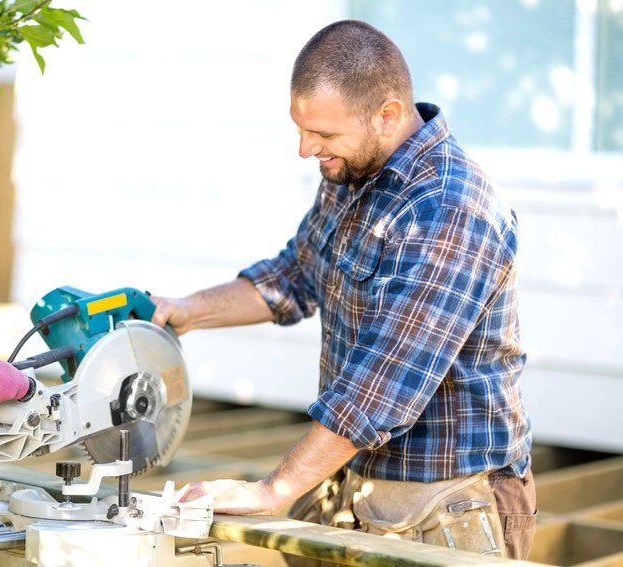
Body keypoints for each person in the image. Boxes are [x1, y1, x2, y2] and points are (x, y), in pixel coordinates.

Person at [156, 20, 535, 562]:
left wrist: (274, 490)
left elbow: (383, 384)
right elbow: (295, 274)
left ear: (388, 115)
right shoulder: (354, 170)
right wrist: (185, 313)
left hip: (448, 499)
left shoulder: (449, 207)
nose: (306, 149)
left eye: (324, 136)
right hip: (354, 478)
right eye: (302, 129)